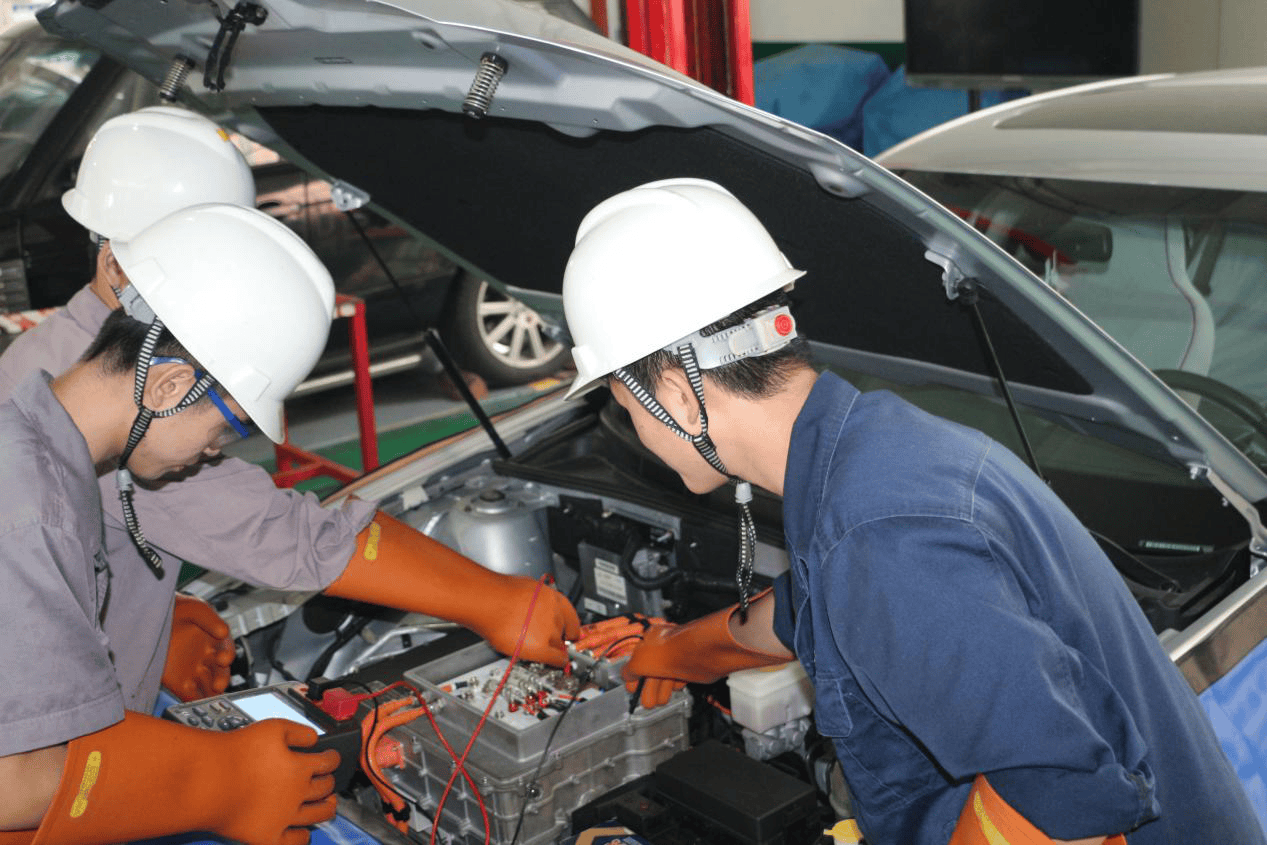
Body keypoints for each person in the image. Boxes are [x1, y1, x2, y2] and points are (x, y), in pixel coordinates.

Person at [560, 178, 1264, 845]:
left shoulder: (885, 533)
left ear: (677, 394)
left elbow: (1062, 797)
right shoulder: (867, 453)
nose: (637, 433)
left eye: (625, 406)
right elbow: (801, 612)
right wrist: (674, 649)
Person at [0, 106, 579, 718]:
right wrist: (495, 600)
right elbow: (284, 537)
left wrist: (148, 615)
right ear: (117, 261)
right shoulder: (131, 408)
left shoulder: (52, 357)